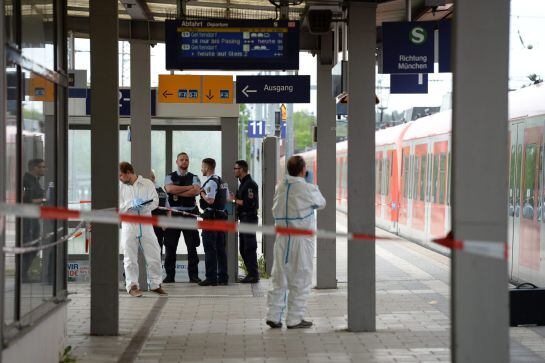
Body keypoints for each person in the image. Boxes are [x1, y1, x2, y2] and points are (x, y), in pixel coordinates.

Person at [266, 155, 326, 329]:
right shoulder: (307, 188)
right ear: (303, 170)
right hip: (301, 240)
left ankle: (273, 315)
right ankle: (294, 318)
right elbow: (321, 203)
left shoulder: (280, 187)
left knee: (279, 277)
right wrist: (312, 185)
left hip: (282, 239)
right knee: (301, 277)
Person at [119, 162, 167, 297]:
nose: (120, 178)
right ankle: (132, 286)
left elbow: (155, 201)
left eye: (121, 175)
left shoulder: (147, 183)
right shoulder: (120, 187)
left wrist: (143, 206)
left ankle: (155, 284)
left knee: (154, 254)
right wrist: (130, 205)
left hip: (146, 224)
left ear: (129, 172)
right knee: (129, 258)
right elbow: (118, 207)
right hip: (129, 225)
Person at [163, 152, 202, 283]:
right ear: (177, 162)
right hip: (173, 215)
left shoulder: (195, 177)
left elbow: (196, 191)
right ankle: (169, 275)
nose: (184, 161)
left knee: (192, 247)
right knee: (170, 246)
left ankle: (194, 276)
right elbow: (169, 189)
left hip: (189, 215)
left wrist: (178, 190)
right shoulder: (169, 177)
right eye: (181, 160)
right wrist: (188, 188)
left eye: (186, 160)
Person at [198, 158, 229, 286]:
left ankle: (211, 278)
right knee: (221, 248)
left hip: (212, 218)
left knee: (210, 248)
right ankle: (223, 277)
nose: (201, 169)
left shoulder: (211, 182)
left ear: (207, 167)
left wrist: (202, 194)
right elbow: (227, 198)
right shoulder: (222, 181)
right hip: (221, 217)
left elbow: (210, 200)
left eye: (202, 167)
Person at [231, 160, 260, 283]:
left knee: (249, 247)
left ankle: (254, 274)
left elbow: (249, 203)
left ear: (242, 169)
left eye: (235, 168)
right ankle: (251, 273)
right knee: (243, 248)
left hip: (249, 218)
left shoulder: (249, 184)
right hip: (244, 218)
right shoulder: (243, 183)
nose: (234, 170)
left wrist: (233, 200)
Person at [22, 158, 46, 282]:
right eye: (42, 167)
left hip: (33, 216)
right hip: (27, 217)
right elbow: (27, 200)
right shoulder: (27, 181)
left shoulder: (35, 181)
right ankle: (22, 274)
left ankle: (24, 273)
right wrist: (44, 199)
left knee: (35, 243)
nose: (44, 169)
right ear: (34, 168)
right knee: (29, 242)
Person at [150, 170, 169, 251]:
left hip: (149, 224)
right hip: (160, 225)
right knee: (158, 247)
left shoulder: (147, 190)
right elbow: (168, 208)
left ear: (153, 178)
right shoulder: (161, 190)